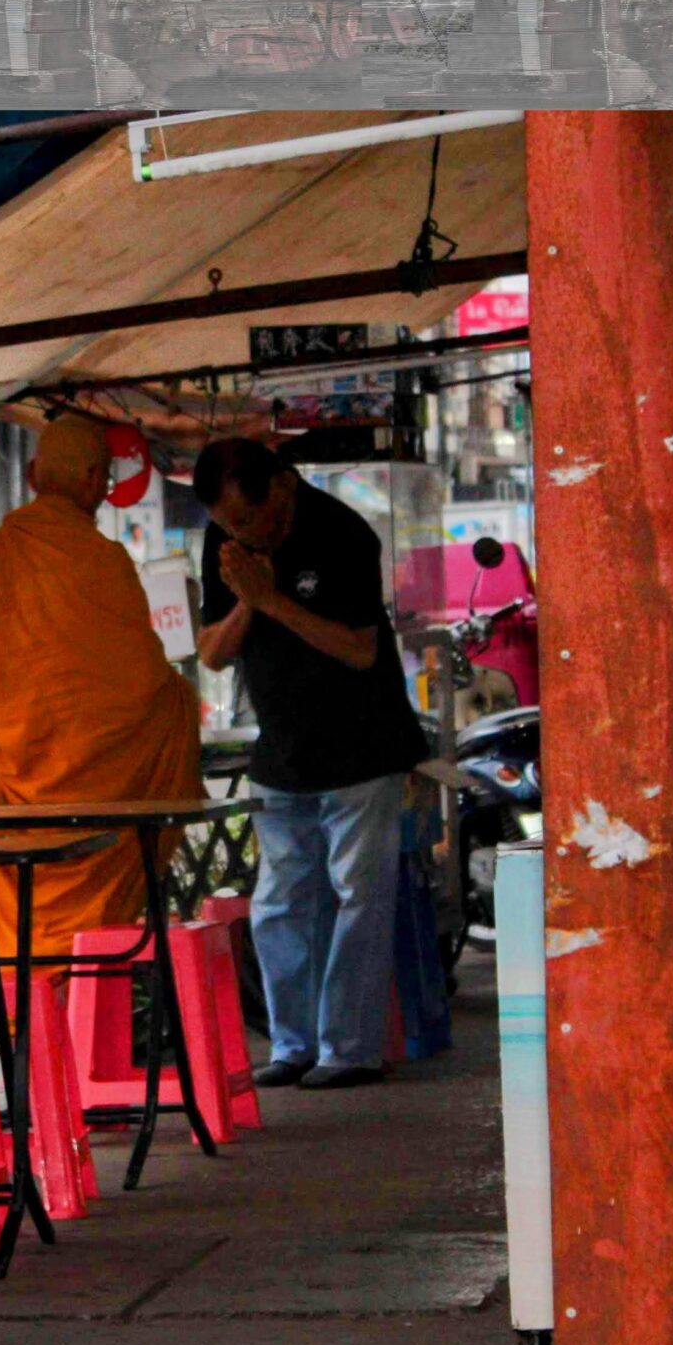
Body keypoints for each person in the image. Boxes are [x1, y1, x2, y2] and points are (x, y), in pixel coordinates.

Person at [0, 415, 202, 964]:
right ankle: (86, 1034)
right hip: (106, 815)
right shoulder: (107, 563)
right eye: (105, 480)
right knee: (177, 702)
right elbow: (147, 686)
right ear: (93, 480)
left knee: (24, 961)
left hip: (19, 811)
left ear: (34, 475)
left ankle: (32, 1041)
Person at [195, 439, 426, 1090]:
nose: (239, 534)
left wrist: (272, 603)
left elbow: (357, 648)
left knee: (358, 898)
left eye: (246, 519)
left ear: (280, 488)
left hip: (361, 751)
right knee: (278, 903)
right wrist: (246, 598)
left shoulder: (342, 532)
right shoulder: (231, 552)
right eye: (226, 526)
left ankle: (348, 1048)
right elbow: (211, 652)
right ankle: (292, 1043)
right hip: (282, 755)